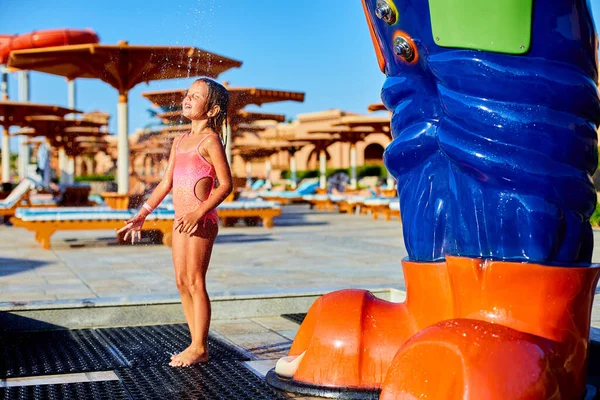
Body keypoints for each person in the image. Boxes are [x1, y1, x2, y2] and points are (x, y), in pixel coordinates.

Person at [118, 78, 233, 367]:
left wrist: (200, 212)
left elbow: (226, 185)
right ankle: (196, 345)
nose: (188, 99)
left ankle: (199, 346)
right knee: (182, 282)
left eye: (196, 96)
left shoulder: (211, 141)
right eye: (188, 94)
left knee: (195, 281)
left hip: (200, 220)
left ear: (212, 110)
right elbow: (165, 183)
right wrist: (143, 213)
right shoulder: (181, 140)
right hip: (181, 220)